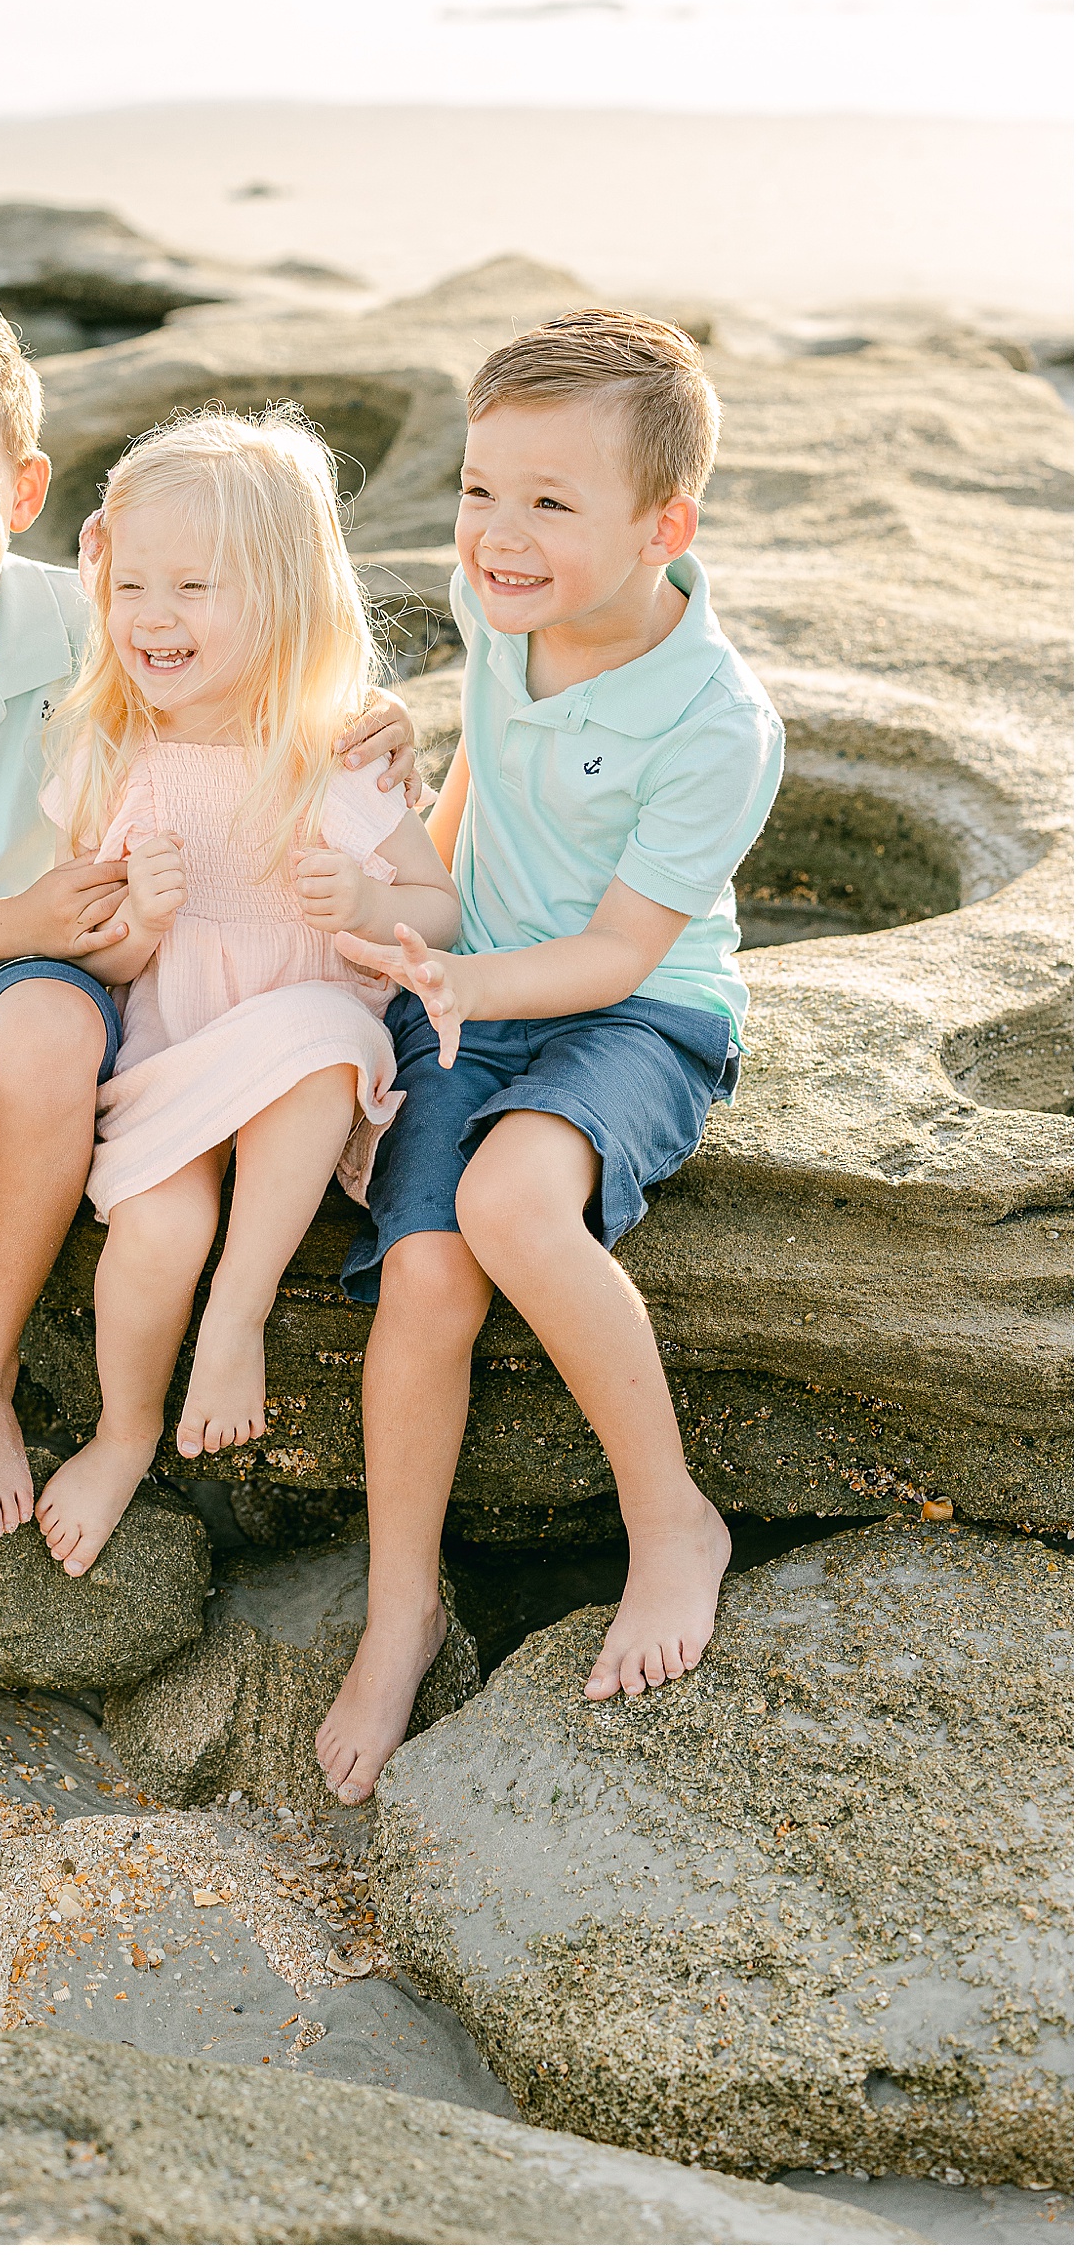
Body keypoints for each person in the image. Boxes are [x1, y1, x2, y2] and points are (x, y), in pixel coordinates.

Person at [0, 305, 419, 1575]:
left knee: (54, 1031)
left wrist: (373, 715)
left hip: (42, 962)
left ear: (28, 489)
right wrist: (25, 920)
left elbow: (253, 656)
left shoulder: (89, 616)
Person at [317, 310, 786, 1804]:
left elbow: (618, 957)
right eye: (478, 491)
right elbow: (477, 793)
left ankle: (673, 1523)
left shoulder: (716, 721)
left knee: (517, 1205)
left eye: (549, 503)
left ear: (667, 525)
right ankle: (403, 1609)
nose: (498, 538)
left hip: (635, 1011)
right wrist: (406, 896)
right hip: (473, 978)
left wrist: (455, 975)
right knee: (433, 1267)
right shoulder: (495, 608)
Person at [31, 408, 460, 1579]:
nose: (152, 618)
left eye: (194, 587)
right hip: (170, 1058)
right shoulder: (112, 756)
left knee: (324, 1034)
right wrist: (142, 924)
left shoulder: (329, 757)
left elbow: (441, 911)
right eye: (131, 586)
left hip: (297, 1094)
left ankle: (240, 1311)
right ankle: (124, 1432)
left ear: (279, 596)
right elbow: (92, 960)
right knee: (155, 1229)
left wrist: (372, 916)